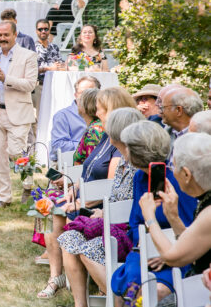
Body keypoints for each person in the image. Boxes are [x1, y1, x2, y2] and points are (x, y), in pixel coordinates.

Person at [45, 108, 143, 302]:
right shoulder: (123, 160)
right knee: (69, 238)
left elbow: (131, 207)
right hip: (110, 220)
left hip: (126, 230)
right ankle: (81, 304)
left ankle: (120, 301)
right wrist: (99, 211)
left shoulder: (136, 165)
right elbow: (114, 197)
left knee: (88, 249)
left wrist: (103, 214)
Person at [111, 122, 198, 304]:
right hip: (143, 252)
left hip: (177, 254)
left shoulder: (177, 179)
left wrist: (166, 254)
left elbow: (191, 227)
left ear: (136, 152)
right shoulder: (139, 178)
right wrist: (144, 244)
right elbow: (134, 221)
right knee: (132, 288)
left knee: (153, 290)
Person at [0, 20, 38, 208]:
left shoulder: (28, 56)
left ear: (15, 34)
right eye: (0, 35)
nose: (2, 38)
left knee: (17, 152)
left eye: (6, 35)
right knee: (0, 156)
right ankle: (4, 197)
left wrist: (6, 78)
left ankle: (28, 185)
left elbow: (30, 84)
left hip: (19, 112)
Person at [138, 133, 211, 281]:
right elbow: (193, 249)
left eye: (173, 166)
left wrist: (150, 218)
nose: (172, 171)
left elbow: (173, 258)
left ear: (186, 174)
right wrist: (173, 217)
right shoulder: (205, 199)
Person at [50, 76, 101, 162]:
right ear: (75, 95)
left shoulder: (103, 114)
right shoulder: (63, 116)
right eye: (82, 92)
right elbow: (58, 146)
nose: (86, 96)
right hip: (69, 163)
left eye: (90, 92)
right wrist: (87, 144)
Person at [34, 18, 64, 109]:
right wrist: (49, 68)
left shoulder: (54, 47)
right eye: (40, 29)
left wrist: (63, 66)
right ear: (36, 31)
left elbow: (60, 64)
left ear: (49, 30)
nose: (43, 31)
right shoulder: (32, 48)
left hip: (55, 85)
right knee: (40, 116)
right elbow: (31, 70)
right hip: (40, 86)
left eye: (46, 29)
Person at [73, 88, 104, 165]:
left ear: (84, 106)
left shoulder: (94, 131)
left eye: (80, 101)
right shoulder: (100, 125)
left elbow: (91, 165)